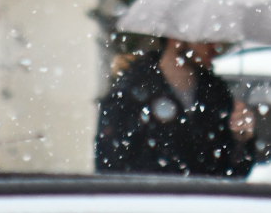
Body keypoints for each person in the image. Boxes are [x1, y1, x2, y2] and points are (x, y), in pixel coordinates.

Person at [94, 37, 257, 177]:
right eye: (205, 39)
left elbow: (231, 175)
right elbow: (110, 166)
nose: (215, 47)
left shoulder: (217, 96)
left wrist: (242, 142)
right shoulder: (129, 94)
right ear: (177, 38)